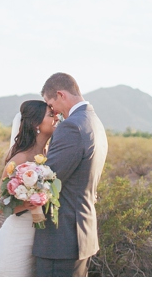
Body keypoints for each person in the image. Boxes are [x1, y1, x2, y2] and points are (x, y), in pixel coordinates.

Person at [33, 72, 108, 277]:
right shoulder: (94, 121)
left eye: (50, 104)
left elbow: (48, 179)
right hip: (80, 233)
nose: (53, 113)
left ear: (60, 94)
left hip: (62, 238)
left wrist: (24, 177)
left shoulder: (72, 126)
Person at [0, 100, 58, 277]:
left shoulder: (49, 155)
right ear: (36, 124)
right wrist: (26, 204)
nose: (56, 118)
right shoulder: (20, 159)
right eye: (51, 115)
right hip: (17, 239)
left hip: (41, 240)